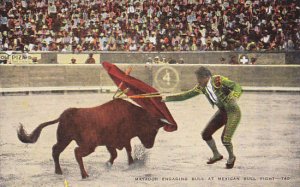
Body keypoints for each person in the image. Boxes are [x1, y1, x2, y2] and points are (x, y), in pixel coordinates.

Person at [163, 66, 242, 169]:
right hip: (222, 112)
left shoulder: (218, 80)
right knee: (205, 134)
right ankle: (216, 155)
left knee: (225, 139)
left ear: (206, 77)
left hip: (233, 111)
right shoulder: (201, 87)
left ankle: (231, 157)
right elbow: (184, 96)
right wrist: (167, 98)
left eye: (199, 78)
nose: (198, 81)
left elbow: (236, 86)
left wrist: (234, 95)